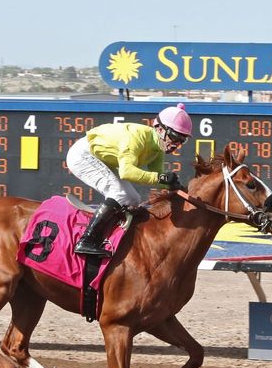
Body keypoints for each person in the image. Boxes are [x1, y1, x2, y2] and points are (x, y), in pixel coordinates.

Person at [66, 102, 193, 257]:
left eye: (182, 140)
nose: (177, 144)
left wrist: (172, 185)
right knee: (119, 193)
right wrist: (160, 177)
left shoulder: (157, 148)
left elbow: (157, 177)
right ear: (160, 129)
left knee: (133, 198)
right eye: (174, 137)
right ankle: (87, 240)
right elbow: (127, 172)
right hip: (83, 155)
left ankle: (110, 236)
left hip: (101, 159)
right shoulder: (137, 138)